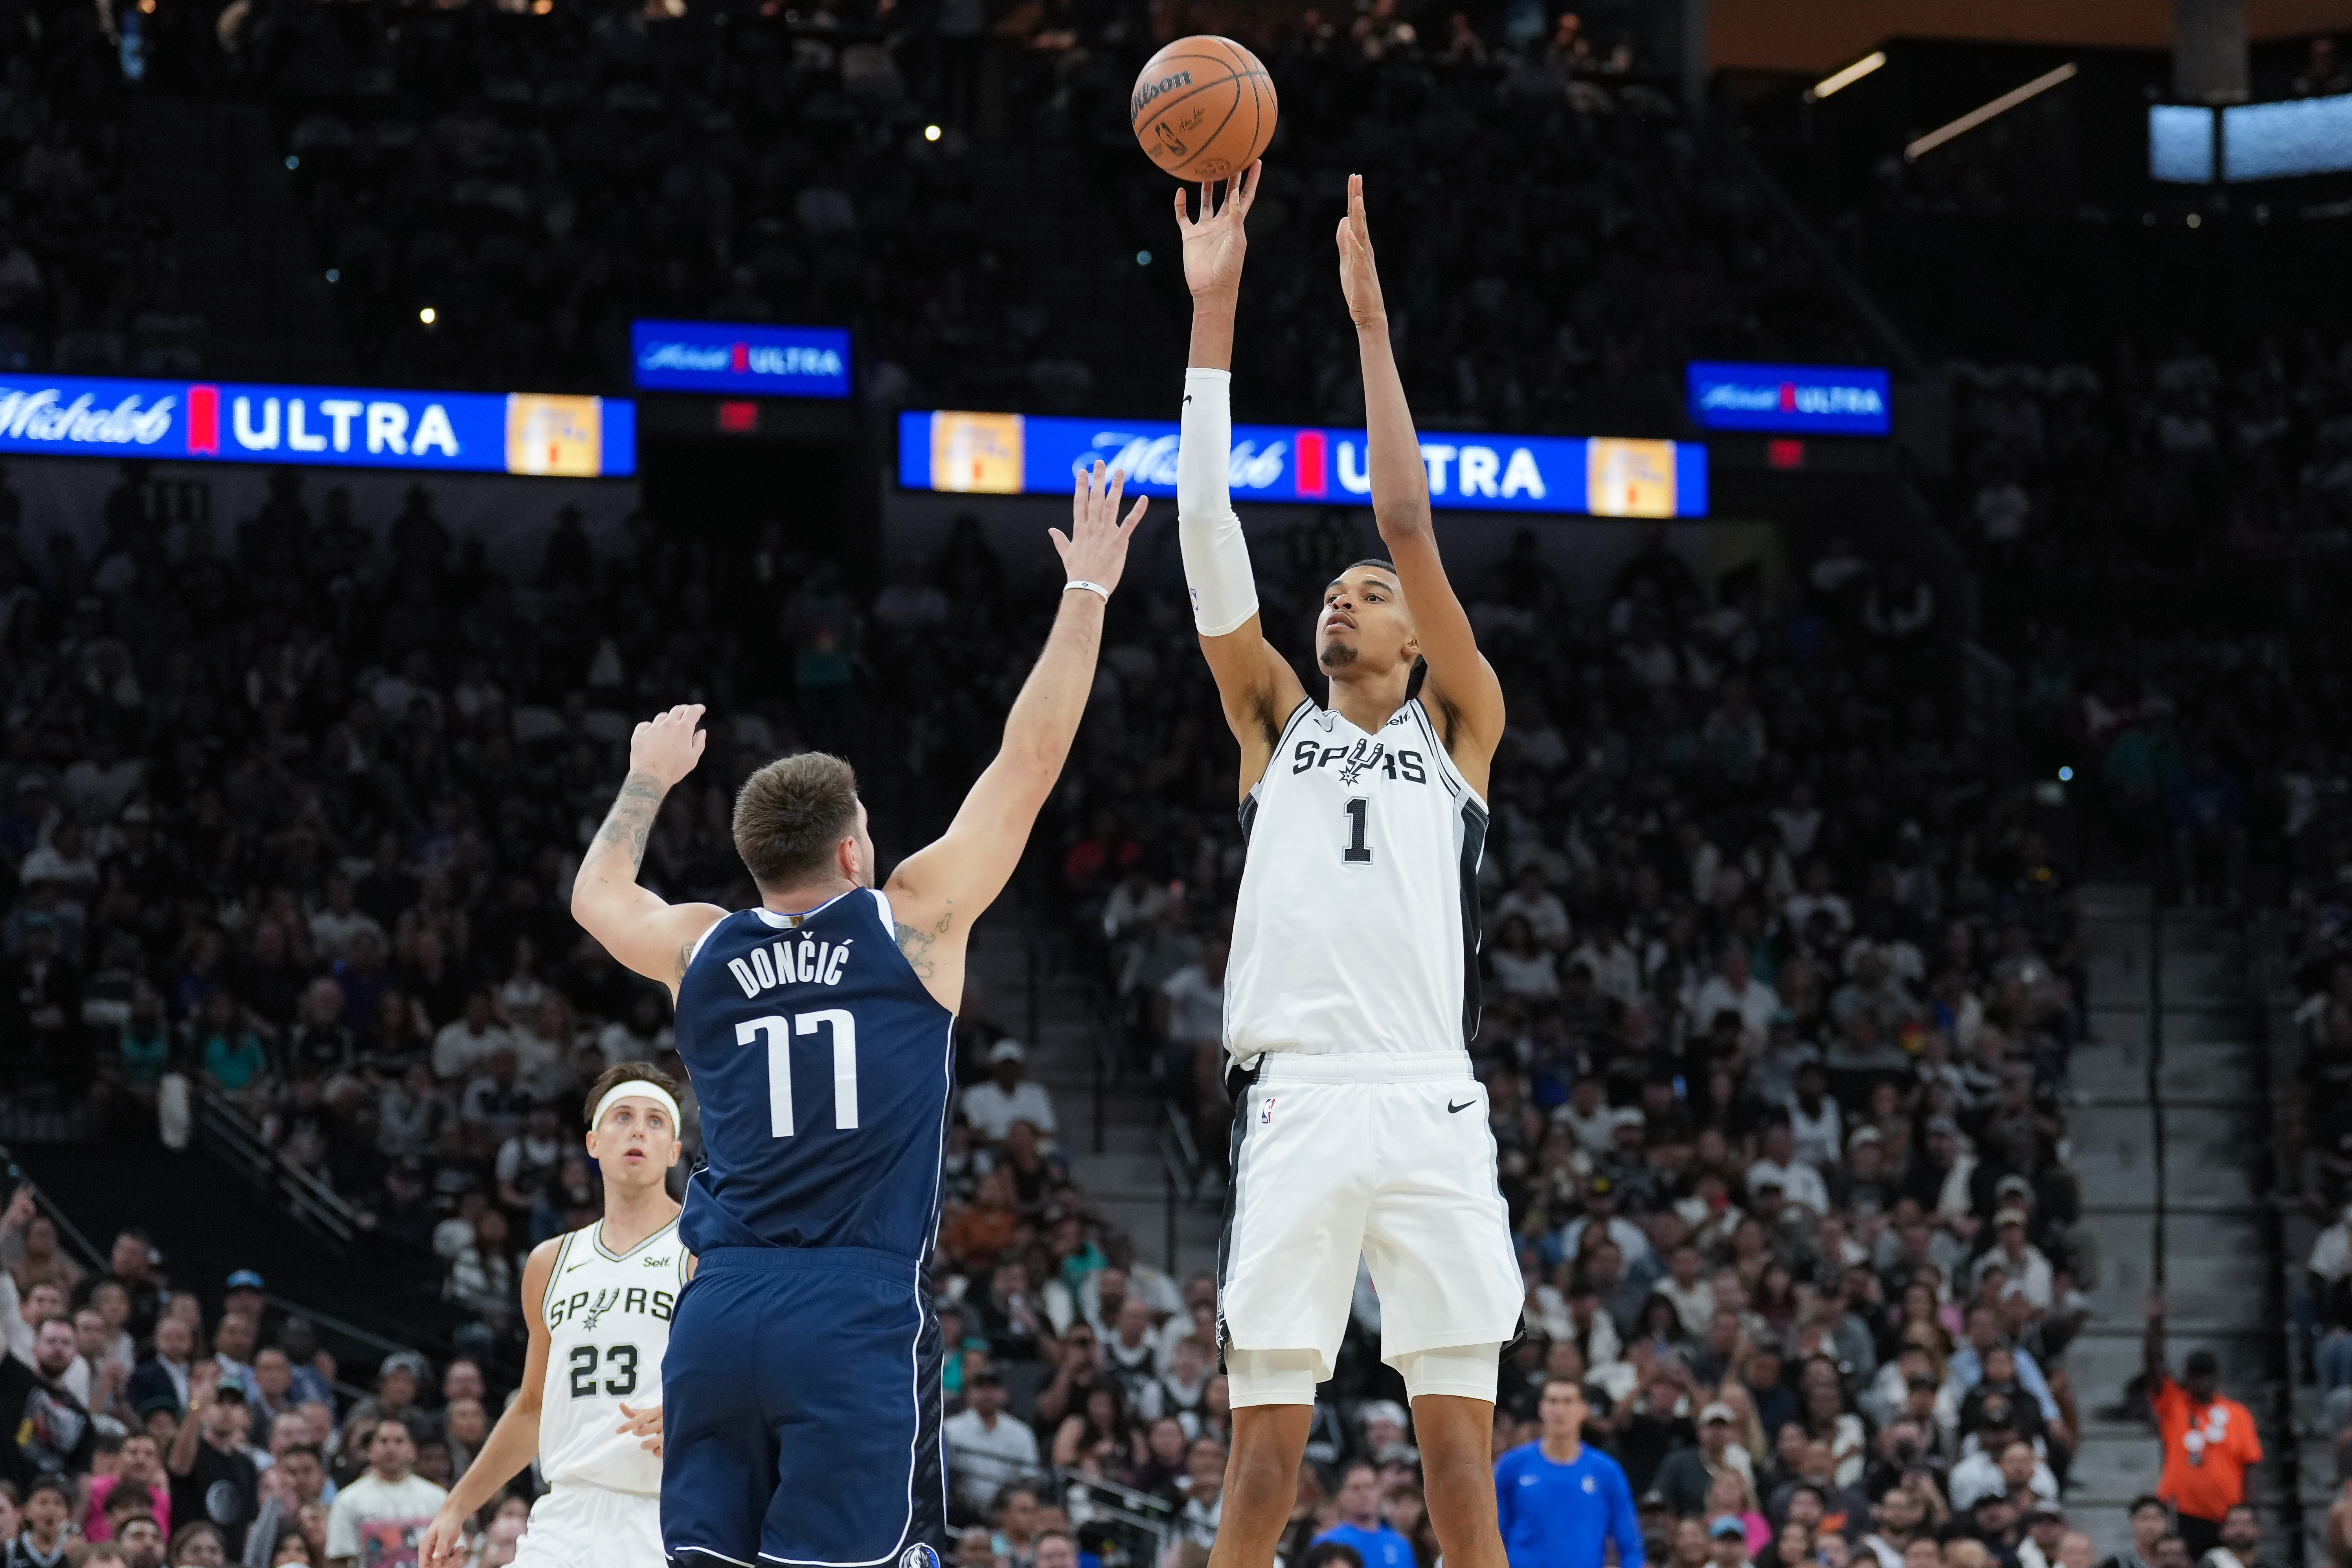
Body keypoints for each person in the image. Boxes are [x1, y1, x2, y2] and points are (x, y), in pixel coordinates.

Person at [566, 463, 1145, 1568]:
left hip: (719, 1312)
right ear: (851, 848)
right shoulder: (911, 920)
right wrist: (1088, 595)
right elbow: (1028, 764)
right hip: (851, 1310)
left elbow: (597, 897)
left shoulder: (701, 945)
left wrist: (645, 779)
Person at [1170, 164, 1520, 1568]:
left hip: (1430, 1096)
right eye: (1333, 590)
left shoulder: (1460, 725)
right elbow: (1208, 539)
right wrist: (1217, 313)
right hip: (1299, 1095)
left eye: (1366, 596)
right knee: (1264, 1458)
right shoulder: (1273, 719)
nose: (1343, 596)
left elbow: (1411, 526)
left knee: (1459, 1464)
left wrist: (1372, 327)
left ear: (1421, 642)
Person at [420, 1063, 687, 1568]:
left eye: (656, 1121)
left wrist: (695, 1410)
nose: (637, 1130)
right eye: (622, 1116)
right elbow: (532, 1406)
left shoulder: (702, 1252)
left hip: (665, 1512)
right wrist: (457, 1504)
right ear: (592, 1143)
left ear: (674, 1150)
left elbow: (756, 1379)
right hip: (563, 1516)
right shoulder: (549, 1262)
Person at [2143, 1295, 2260, 1556]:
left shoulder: (2238, 1414)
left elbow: (2249, 1467)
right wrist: (2154, 1325)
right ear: (2187, 1377)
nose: (2200, 1383)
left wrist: (2246, 1511)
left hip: (2227, 1516)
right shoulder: (2175, 1404)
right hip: (2183, 1513)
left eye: (2206, 1376)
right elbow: (2154, 1366)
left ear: (2216, 1378)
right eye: (2194, 1376)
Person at [1492, 1379, 1643, 1568]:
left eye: (1568, 1402)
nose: (1560, 1410)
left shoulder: (1606, 1472)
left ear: (1584, 1409)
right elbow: (1495, 1536)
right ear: (1541, 1408)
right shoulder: (1512, 1466)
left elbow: (1630, 1546)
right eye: (1553, 1401)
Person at [323, 1420, 444, 1568]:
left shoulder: (437, 1497)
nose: (391, 1448)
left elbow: (454, 1552)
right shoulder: (348, 1500)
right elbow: (339, 1559)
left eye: (399, 1441)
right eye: (383, 1441)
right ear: (370, 1450)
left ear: (413, 1451)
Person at [167, 1366, 257, 1557]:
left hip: (231, 1559)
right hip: (191, 1556)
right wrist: (196, 1407)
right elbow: (178, 1466)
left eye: (234, 1404)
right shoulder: (192, 1449)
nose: (226, 1410)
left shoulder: (247, 1464)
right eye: (218, 1403)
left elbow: (250, 1520)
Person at [1314, 1464, 1417, 1568]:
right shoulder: (1327, 1543)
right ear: (1341, 1496)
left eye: (1369, 1487)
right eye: (1355, 1488)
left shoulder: (1400, 1543)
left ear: (1380, 1493)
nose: (1364, 1494)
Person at [2096, 1498, 2168, 1568]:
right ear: (2133, 1522)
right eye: (2144, 1519)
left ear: (2167, 1523)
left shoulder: (2176, 1563)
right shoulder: (2116, 1563)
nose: (2150, 1526)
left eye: (2156, 1519)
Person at [2196, 1506, 2262, 1568]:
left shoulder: (2268, 1561)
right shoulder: (2212, 1561)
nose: (2240, 1530)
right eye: (2233, 1524)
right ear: (2223, 1530)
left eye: (2246, 1524)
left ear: (2257, 1529)